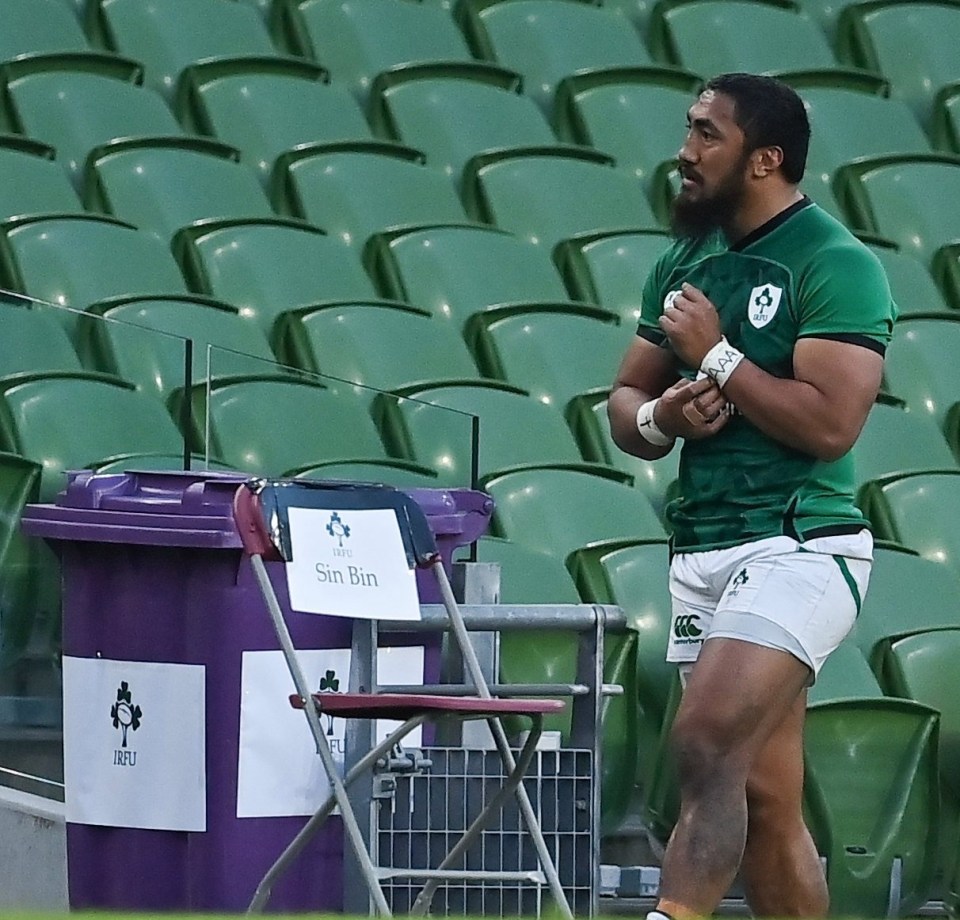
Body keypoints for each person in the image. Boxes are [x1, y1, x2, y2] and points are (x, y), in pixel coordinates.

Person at [607, 72, 896, 919]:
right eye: (689, 130)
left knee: (702, 740)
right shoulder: (684, 259)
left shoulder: (837, 263)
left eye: (706, 136)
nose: (684, 152)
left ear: (765, 158)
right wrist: (665, 416)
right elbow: (622, 404)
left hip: (800, 544)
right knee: (766, 801)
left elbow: (832, 426)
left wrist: (723, 357)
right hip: (702, 548)